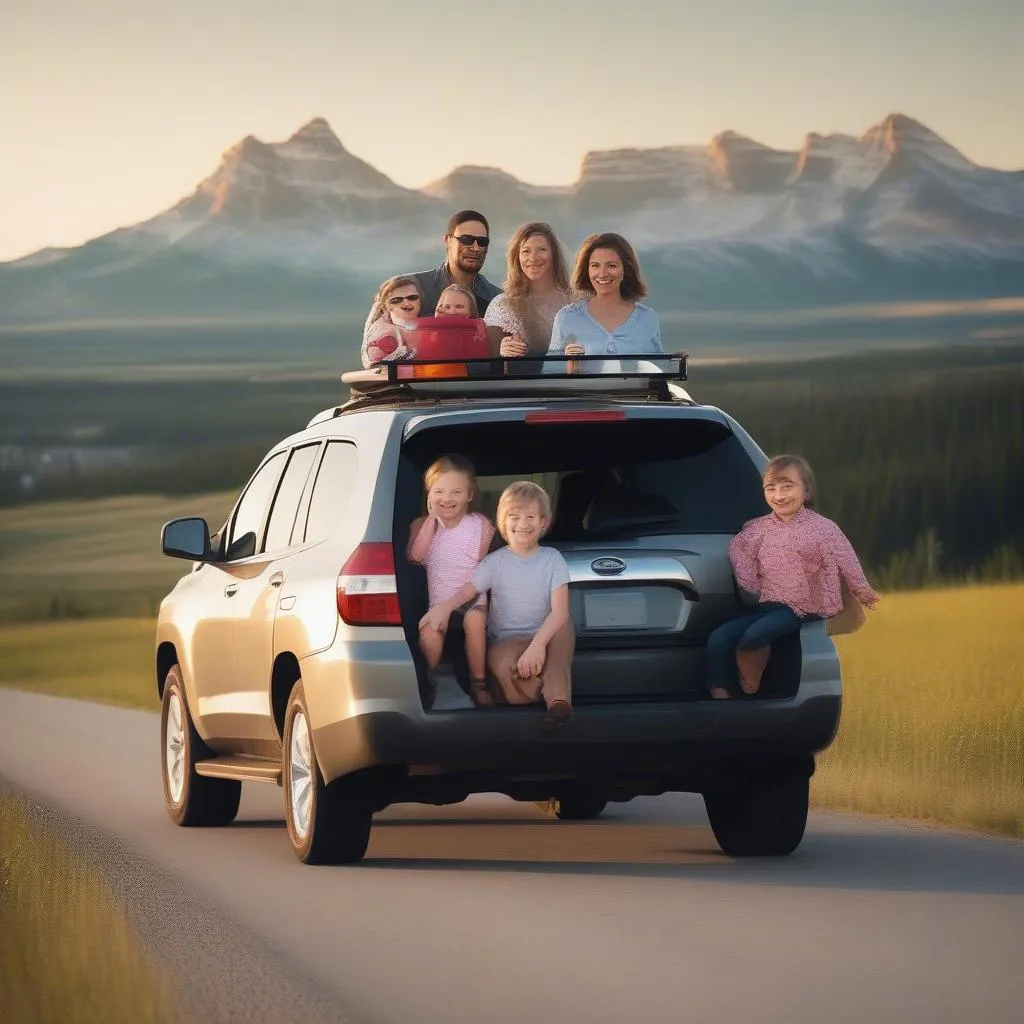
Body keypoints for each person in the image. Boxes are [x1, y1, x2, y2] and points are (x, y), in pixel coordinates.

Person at [706, 455, 881, 699]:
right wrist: (749, 579)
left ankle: (753, 664)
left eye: (787, 487)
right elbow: (739, 549)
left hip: (800, 609)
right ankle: (721, 698)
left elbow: (845, 557)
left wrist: (862, 589)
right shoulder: (757, 528)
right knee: (719, 638)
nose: (779, 495)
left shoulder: (823, 528)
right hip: (767, 605)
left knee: (755, 635)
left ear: (806, 491)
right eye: (771, 488)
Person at [419, 480, 574, 730]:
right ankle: (537, 692)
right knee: (509, 669)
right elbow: (468, 591)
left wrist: (537, 646)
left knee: (564, 626)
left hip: (546, 636)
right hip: (507, 643)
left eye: (531, 517)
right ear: (503, 522)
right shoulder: (494, 562)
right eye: (514, 516)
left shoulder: (552, 559)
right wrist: (443, 607)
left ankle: (558, 702)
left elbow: (559, 613)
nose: (523, 524)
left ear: (543, 522)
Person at [407, 455, 496, 707]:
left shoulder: (481, 525)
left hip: (473, 597)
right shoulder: (420, 525)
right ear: (429, 494)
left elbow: (483, 568)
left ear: (469, 495)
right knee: (430, 633)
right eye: (439, 492)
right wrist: (431, 520)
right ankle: (429, 680)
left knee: (476, 620)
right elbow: (415, 557)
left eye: (457, 491)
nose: (447, 498)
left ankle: (478, 684)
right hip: (438, 601)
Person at [362, 210, 502, 347]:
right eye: (467, 239)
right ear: (448, 240)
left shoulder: (498, 300)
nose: (475, 247)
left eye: (482, 242)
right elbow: (369, 348)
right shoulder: (402, 289)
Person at [547, 231, 664, 367]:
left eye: (612, 265)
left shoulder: (647, 318)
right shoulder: (566, 317)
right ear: (587, 270)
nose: (602, 274)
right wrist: (568, 365)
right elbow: (549, 373)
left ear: (626, 269)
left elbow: (659, 372)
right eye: (595, 266)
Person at [484, 222, 573, 362]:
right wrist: (501, 349)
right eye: (526, 251)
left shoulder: (575, 301)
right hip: (523, 382)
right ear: (516, 257)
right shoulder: (502, 305)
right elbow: (488, 359)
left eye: (541, 249)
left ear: (554, 255)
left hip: (571, 381)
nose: (533, 258)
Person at [361, 275, 422, 367]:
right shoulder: (384, 333)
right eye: (397, 300)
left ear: (420, 301)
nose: (406, 303)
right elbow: (379, 367)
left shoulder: (431, 324)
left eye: (412, 297)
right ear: (387, 305)